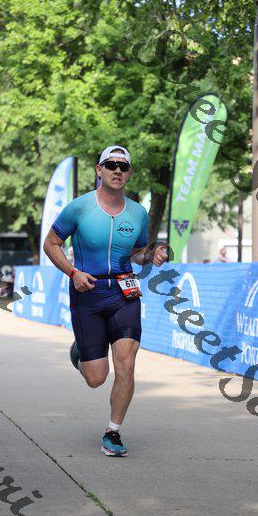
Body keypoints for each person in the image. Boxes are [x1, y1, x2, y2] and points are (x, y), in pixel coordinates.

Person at [43, 145, 167, 457]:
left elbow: (137, 254)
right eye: (111, 165)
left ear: (129, 173)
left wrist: (152, 255)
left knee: (126, 363)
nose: (117, 171)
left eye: (123, 167)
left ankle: (113, 431)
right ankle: (81, 351)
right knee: (96, 378)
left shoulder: (138, 213)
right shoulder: (79, 208)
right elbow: (51, 243)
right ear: (99, 170)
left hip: (124, 293)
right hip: (87, 291)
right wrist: (73, 273)